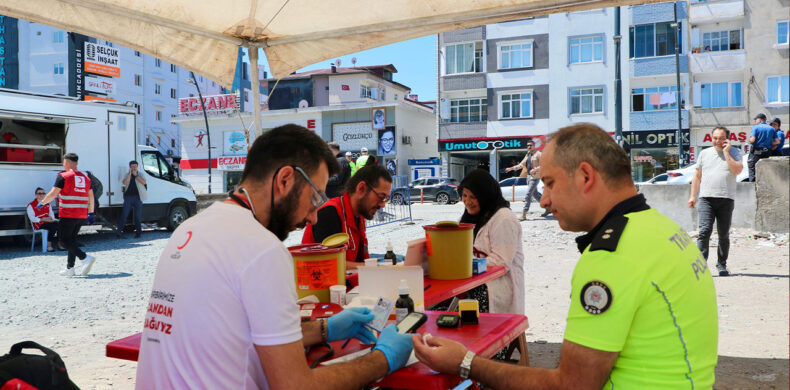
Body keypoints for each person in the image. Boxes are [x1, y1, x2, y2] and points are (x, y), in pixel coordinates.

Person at [412, 123, 718, 389]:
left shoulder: (612, 258)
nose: (544, 200)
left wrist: (465, 362)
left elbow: (572, 384)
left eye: (549, 183)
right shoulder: (661, 228)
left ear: (585, 176)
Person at [136, 124, 412, 389]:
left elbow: (237, 334)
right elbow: (295, 386)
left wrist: (325, 330)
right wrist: (382, 359)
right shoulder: (262, 249)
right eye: (315, 198)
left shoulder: (190, 229)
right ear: (285, 180)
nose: (314, 216)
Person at [457, 169, 525, 315]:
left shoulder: (504, 219)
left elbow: (501, 261)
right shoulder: (468, 218)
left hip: (497, 288)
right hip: (475, 282)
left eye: (473, 197)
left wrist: (467, 264)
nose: (467, 201)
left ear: (485, 196)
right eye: (464, 195)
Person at [302, 164, 392, 269]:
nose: (383, 205)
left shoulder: (360, 216)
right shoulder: (329, 213)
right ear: (361, 188)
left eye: (386, 199)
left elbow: (360, 260)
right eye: (381, 197)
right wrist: (371, 267)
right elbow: (330, 264)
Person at [689, 127, 743, 277]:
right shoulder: (704, 153)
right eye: (715, 138)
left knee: (723, 234)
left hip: (726, 198)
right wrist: (692, 196)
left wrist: (726, 152)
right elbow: (697, 176)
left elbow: (738, 171)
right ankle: (701, 266)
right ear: (711, 138)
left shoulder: (735, 152)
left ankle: (721, 265)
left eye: (721, 138)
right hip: (706, 198)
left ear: (727, 139)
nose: (718, 141)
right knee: (704, 231)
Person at [38, 153, 96, 277]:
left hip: (68, 213)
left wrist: (42, 203)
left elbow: (53, 194)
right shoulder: (86, 178)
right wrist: (91, 212)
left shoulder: (63, 176)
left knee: (63, 241)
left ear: (68, 163)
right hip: (81, 215)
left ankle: (84, 257)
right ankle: (70, 268)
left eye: (64, 162)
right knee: (72, 240)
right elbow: (91, 197)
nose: (63, 165)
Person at [505, 139, 550, 220]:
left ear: (534, 146)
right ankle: (548, 207)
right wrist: (511, 168)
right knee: (535, 194)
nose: (529, 147)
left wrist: (535, 169)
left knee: (528, 195)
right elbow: (521, 165)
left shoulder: (539, 154)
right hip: (528, 177)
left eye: (530, 145)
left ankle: (524, 214)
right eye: (528, 145)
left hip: (535, 177)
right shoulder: (527, 155)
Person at [116, 160, 147, 238]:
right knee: (124, 215)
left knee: (137, 216)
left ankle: (138, 233)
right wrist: (130, 174)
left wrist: (136, 175)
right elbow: (125, 183)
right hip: (128, 197)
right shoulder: (127, 174)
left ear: (137, 167)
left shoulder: (140, 174)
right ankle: (119, 232)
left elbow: (144, 182)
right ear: (130, 167)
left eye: (135, 166)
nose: (134, 168)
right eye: (132, 166)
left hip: (138, 197)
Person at [747, 113, 779, 181]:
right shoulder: (772, 129)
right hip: (767, 153)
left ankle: (752, 187)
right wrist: (769, 144)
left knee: (752, 168)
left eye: (756, 119)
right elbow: (777, 142)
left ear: (761, 119)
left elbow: (752, 140)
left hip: (757, 152)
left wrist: (749, 141)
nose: (755, 120)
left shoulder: (756, 127)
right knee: (766, 170)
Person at [26, 187, 59, 252]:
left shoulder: (47, 204)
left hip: (48, 222)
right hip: (38, 224)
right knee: (53, 226)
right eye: (39, 193)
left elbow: (51, 214)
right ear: (36, 195)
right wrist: (43, 219)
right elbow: (32, 219)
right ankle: (49, 246)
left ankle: (61, 244)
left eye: (43, 193)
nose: (41, 195)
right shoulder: (31, 205)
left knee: (60, 225)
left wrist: (52, 219)